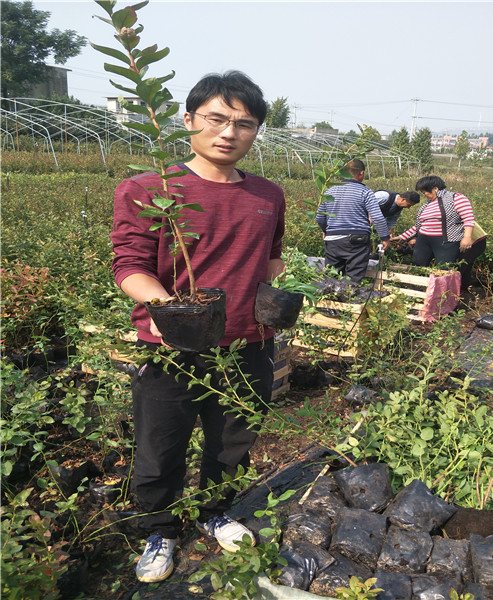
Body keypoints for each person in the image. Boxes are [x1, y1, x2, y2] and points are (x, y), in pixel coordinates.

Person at [111, 71, 285, 583]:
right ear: (188, 121)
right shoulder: (149, 188)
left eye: (245, 124)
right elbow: (129, 266)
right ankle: (159, 528)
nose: (229, 132)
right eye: (217, 119)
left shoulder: (269, 195)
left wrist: (266, 300)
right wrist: (169, 309)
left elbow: (272, 260)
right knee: (160, 442)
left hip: (248, 345)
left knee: (232, 439)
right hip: (169, 345)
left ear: (256, 131)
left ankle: (215, 513)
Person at [316, 158, 391, 283]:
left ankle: (331, 300)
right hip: (357, 241)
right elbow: (377, 217)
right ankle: (349, 299)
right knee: (352, 279)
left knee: (331, 277)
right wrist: (385, 238)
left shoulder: (330, 191)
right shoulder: (365, 192)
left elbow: (319, 216)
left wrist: (326, 230)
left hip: (333, 241)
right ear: (361, 173)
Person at [392, 175, 475, 269]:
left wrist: (467, 237)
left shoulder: (456, 198)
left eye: (425, 192)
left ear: (435, 188)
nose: (424, 195)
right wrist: (400, 237)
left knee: (444, 268)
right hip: (423, 240)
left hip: (445, 241)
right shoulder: (427, 205)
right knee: (418, 266)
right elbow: (419, 226)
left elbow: (468, 219)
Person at [457, 221, 488, 290]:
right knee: (465, 267)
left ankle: (452, 292)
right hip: (476, 239)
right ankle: (464, 286)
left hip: (475, 241)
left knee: (460, 266)